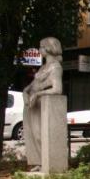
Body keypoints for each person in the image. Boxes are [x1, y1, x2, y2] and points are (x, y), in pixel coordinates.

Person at [23, 37, 64, 167]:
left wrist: (38, 94)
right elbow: (31, 85)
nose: (39, 50)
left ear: (48, 49)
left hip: (44, 105)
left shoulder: (55, 68)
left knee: (41, 135)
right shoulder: (42, 68)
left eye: (41, 47)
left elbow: (57, 89)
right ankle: (40, 163)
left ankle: (47, 163)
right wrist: (26, 91)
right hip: (33, 105)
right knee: (34, 135)